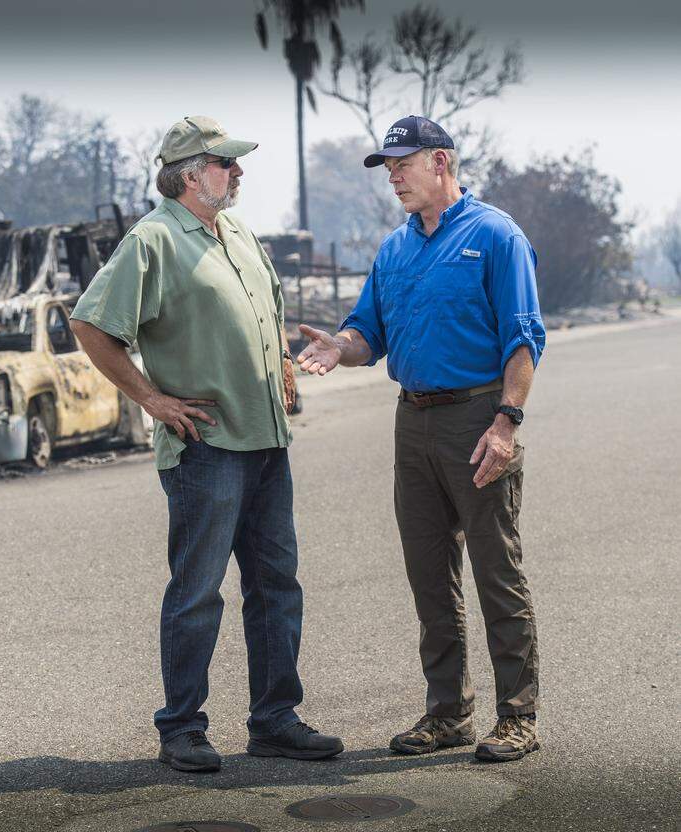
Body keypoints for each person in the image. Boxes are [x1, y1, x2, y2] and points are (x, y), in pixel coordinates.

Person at [69, 116, 343, 772]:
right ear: (190, 173)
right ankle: (181, 728)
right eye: (226, 163)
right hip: (208, 448)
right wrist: (152, 400)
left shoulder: (239, 231)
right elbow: (91, 324)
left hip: (267, 441)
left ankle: (275, 719)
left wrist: (279, 363)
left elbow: (264, 308)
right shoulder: (153, 240)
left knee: (277, 584)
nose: (238, 172)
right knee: (197, 591)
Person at [297, 115, 544, 763]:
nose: (393, 177)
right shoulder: (394, 251)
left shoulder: (495, 236)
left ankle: (517, 717)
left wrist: (506, 422)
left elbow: (525, 338)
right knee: (429, 577)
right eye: (387, 167)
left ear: (441, 162)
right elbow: (366, 335)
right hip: (413, 423)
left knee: (496, 571)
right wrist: (339, 346)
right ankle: (447, 713)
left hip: (477, 418)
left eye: (402, 164)